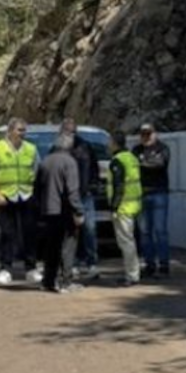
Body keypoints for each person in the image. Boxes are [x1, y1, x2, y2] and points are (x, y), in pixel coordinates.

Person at [0, 118, 41, 287]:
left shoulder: (31, 149)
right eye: (19, 130)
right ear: (9, 131)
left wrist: (35, 194)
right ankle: (5, 269)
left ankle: (31, 269)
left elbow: (38, 171)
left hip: (26, 195)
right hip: (6, 197)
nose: (22, 133)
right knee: (7, 233)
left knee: (29, 233)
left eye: (24, 130)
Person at [35, 134, 84, 293]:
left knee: (51, 246)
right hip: (65, 211)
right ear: (70, 147)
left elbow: (37, 188)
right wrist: (78, 211)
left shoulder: (45, 161)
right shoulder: (70, 162)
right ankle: (66, 282)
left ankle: (48, 281)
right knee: (68, 246)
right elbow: (72, 191)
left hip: (48, 211)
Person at [62, 116, 100, 280]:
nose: (71, 133)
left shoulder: (85, 146)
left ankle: (91, 263)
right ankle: (73, 264)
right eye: (68, 130)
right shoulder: (59, 148)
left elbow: (94, 169)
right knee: (71, 231)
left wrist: (93, 186)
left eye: (73, 130)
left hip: (85, 195)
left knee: (89, 229)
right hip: (67, 197)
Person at [132, 122, 171, 278]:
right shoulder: (136, 150)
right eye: (143, 134)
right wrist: (145, 163)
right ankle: (149, 264)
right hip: (142, 194)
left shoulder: (163, 148)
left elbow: (160, 164)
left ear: (155, 134)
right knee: (145, 232)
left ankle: (164, 264)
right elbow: (133, 166)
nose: (146, 137)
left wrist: (141, 163)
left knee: (160, 230)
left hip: (159, 193)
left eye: (148, 134)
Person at [108, 131, 142, 286]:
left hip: (123, 207)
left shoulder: (117, 161)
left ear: (115, 143)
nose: (108, 145)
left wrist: (114, 208)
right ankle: (132, 273)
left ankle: (132, 275)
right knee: (130, 241)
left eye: (110, 142)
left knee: (126, 242)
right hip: (133, 205)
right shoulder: (131, 158)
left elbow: (119, 186)